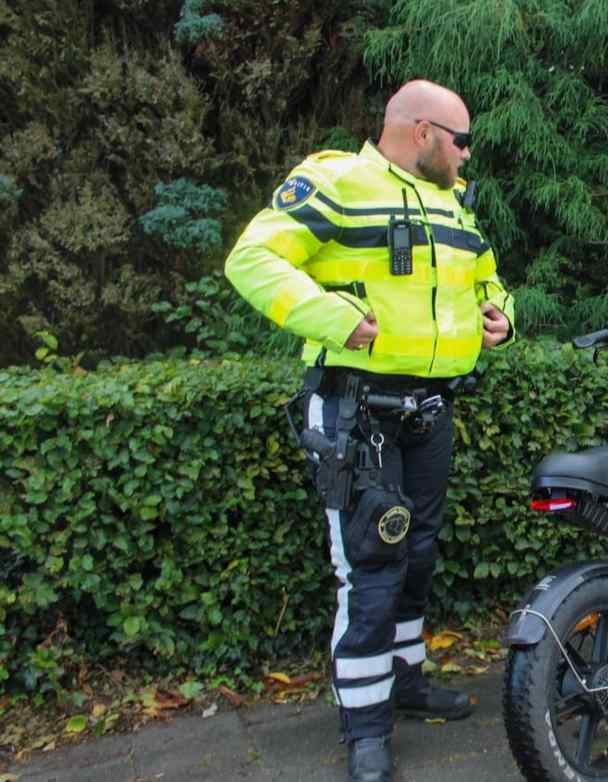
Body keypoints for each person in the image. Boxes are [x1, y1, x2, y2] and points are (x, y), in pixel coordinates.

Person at [225, 80, 515, 781]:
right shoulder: (337, 180)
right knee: (372, 569)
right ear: (422, 132)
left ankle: (406, 683)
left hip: (430, 409)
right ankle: (366, 732)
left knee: (416, 555)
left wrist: (504, 318)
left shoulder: (454, 201)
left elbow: (488, 281)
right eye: (461, 139)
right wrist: (333, 319)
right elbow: (251, 260)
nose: (466, 152)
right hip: (356, 409)